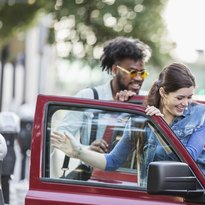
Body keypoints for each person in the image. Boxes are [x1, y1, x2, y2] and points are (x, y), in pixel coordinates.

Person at [51, 62, 205, 189]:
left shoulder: (201, 113)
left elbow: (188, 158)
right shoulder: (140, 120)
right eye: (180, 98)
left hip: (200, 194)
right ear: (163, 93)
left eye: (190, 97)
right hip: (158, 196)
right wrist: (78, 151)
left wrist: (159, 128)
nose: (186, 104)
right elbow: (112, 161)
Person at [54, 37, 151, 179]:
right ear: (114, 70)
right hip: (92, 181)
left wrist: (135, 105)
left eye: (142, 73)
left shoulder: (146, 101)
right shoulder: (88, 97)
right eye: (132, 72)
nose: (138, 78)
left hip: (131, 183)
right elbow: (57, 137)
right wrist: (85, 150)